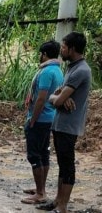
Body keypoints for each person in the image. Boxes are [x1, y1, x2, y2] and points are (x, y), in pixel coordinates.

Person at [37, 32, 91, 213]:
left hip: (68, 126)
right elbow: (57, 96)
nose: (61, 50)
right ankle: (57, 200)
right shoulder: (71, 68)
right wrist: (58, 96)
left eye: (64, 47)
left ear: (73, 49)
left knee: (67, 165)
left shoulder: (81, 70)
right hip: (60, 123)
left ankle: (63, 206)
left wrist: (58, 97)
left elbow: (58, 100)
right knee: (62, 163)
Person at [21, 41, 63, 205]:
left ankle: (40, 193)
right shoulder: (58, 70)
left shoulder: (46, 72)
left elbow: (41, 98)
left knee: (34, 156)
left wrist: (33, 119)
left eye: (40, 53)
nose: (39, 56)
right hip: (50, 118)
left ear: (44, 54)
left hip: (41, 118)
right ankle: (41, 189)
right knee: (44, 154)